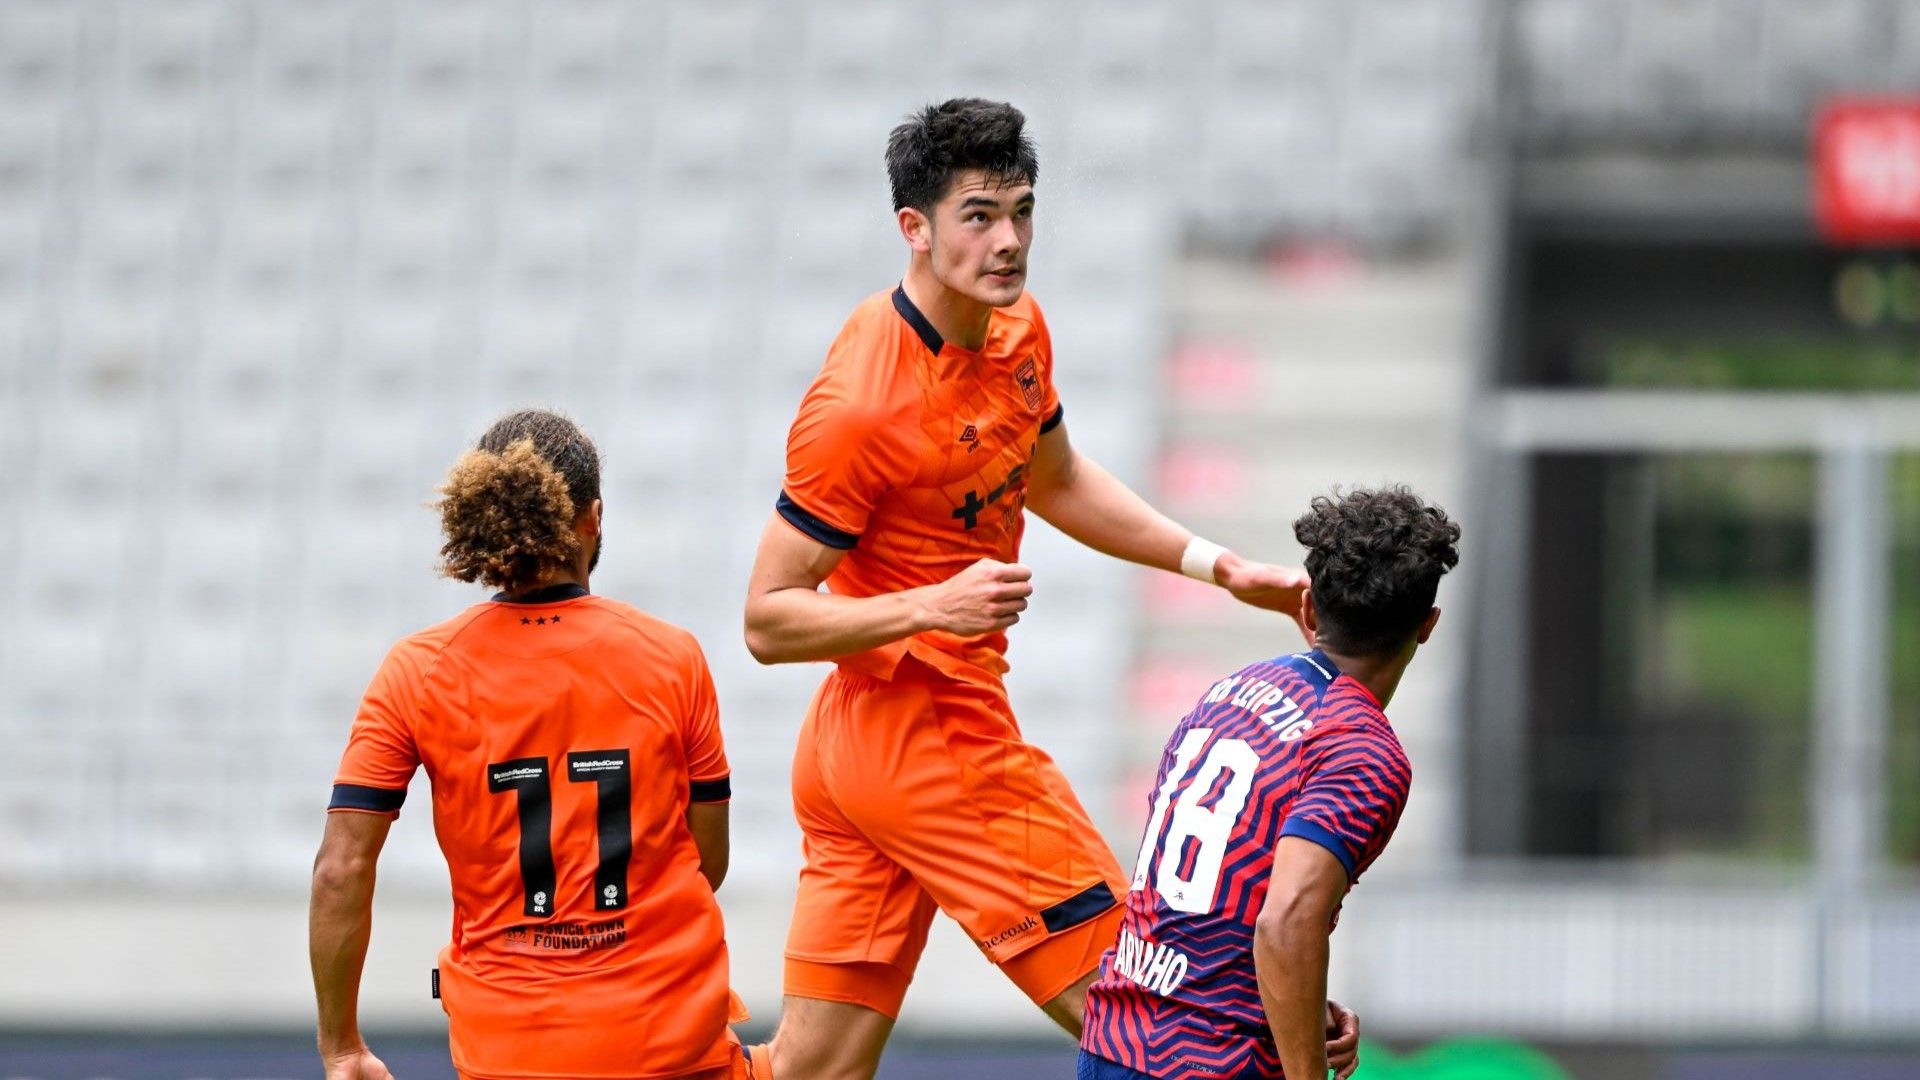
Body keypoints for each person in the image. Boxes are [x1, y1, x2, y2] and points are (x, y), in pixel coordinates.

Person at [741, 98, 1357, 1080]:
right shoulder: (858, 406)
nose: (1010, 240)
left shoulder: (1016, 327)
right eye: (980, 215)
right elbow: (768, 619)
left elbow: (1056, 478)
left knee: (808, 1070)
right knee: (1163, 1019)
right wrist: (928, 609)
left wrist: (1215, 564)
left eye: (1023, 211)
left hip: (869, 752)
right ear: (916, 228)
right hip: (930, 743)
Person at [308, 410, 751, 1080]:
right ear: (594, 518)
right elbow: (706, 862)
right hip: (669, 1044)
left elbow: (341, 868)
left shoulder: (416, 670)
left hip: (507, 1049)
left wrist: (342, 1046)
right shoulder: (672, 657)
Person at [1078, 486, 1461, 1080]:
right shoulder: (1363, 750)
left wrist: (1299, 1011)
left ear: (1309, 611)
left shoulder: (1233, 689)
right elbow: (1285, 923)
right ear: (1427, 625)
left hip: (1115, 1043)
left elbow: (1219, 893)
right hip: (1210, 1061)